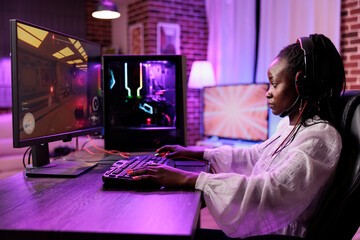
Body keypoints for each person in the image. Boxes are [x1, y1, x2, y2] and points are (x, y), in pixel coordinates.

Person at [128, 34, 346, 239]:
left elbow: (270, 191)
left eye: (275, 84)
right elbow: (256, 155)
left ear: (302, 85)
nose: (267, 92)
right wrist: (199, 152)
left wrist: (190, 179)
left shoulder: (320, 138)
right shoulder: (290, 127)